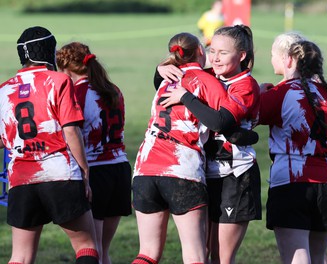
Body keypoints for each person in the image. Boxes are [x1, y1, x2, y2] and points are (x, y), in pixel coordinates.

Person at [131, 32, 249, 264]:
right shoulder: (209, 82)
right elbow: (222, 121)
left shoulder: (165, 80)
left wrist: (160, 67)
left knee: (147, 254)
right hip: (181, 169)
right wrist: (245, 135)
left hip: (144, 169)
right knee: (195, 254)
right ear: (200, 52)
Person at [159, 25, 262, 264]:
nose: (215, 57)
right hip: (205, 174)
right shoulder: (209, 76)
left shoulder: (245, 85)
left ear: (242, 55)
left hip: (236, 176)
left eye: (223, 53)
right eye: (211, 50)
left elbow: (221, 122)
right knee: (200, 254)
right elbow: (163, 79)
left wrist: (185, 97)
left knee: (221, 259)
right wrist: (160, 68)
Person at [0, 26, 99, 264]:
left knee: (20, 257)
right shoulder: (59, 80)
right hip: (59, 172)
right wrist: (84, 172)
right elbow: (71, 131)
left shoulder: (4, 89)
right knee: (86, 246)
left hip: (21, 177)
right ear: (47, 51)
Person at [258, 39, 327, 264]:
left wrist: (260, 93)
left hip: (292, 182)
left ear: (289, 60)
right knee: (319, 257)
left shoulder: (280, 92)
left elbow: (242, 118)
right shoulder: (326, 94)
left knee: (297, 256)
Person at [56, 42, 132, 264]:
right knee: (103, 251)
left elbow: (69, 132)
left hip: (95, 172)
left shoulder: (75, 92)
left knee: (92, 251)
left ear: (66, 70)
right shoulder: (113, 89)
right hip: (120, 169)